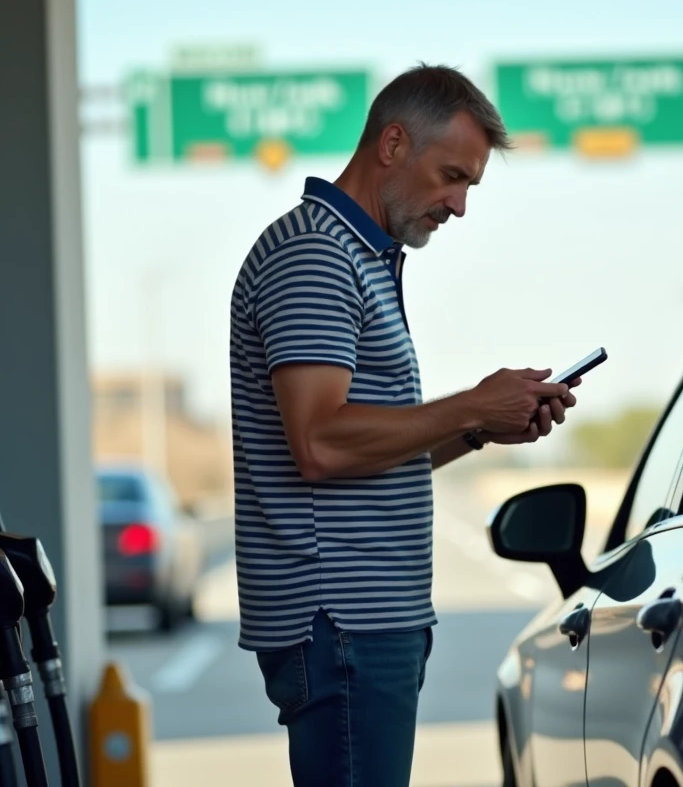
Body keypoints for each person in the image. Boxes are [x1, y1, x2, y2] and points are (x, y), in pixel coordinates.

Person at [227, 63, 582, 786]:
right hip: (342, 621)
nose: (458, 206)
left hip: (363, 621)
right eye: (451, 176)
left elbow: (368, 453)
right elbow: (321, 444)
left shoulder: (358, 257)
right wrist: (471, 404)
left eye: (470, 186)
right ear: (392, 144)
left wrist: (481, 430)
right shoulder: (317, 255)